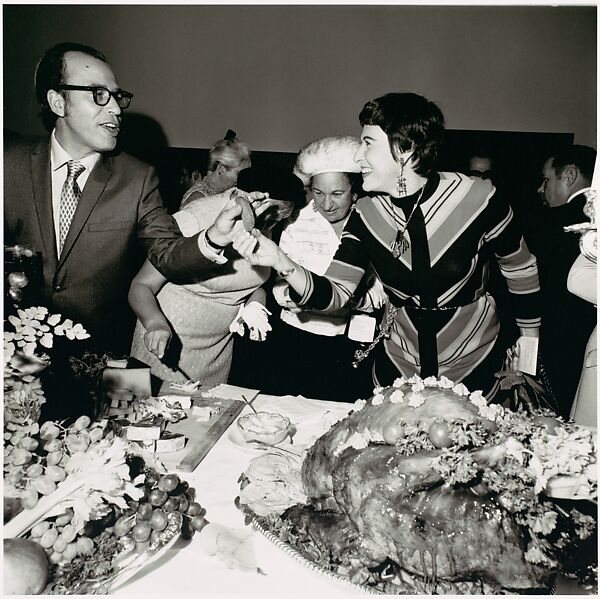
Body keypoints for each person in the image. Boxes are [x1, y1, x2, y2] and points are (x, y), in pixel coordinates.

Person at [233, 92, 541, 400]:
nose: (357, 157)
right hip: (400, 363)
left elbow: (520, 268)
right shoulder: (366, 213)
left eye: (367, 143)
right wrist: (280, 260)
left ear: (404, 149)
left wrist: (528, 353)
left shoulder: (479, 198)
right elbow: (337, 294)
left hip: (473, 360)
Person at [4, 43, 264, 356]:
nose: (115, 108)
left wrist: (213, 238)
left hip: (98, 357)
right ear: (58, 102)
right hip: (14, 353)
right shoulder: (8, 163)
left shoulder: (137, 178)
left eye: (117, 96)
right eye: (99, 94)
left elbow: (167, 254)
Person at [243, 136, 386, 401]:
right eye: (318, 193)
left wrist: (352, 299)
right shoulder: (296, 222)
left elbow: (385, 291)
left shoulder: (373, 222)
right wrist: (290, 297)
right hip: (297, 339)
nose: (327, 204)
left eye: (337, 194)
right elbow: (277, 284)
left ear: (355, 192)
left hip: (353, 341)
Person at [129, 166, 300, 386]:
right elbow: (141, 285)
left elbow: (251, 280)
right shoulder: (198, 217)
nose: (269, 223)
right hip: (164, 341)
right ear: (243, 196)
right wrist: (155, 324)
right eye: (269, 212)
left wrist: (256, 303)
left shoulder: (268, 222)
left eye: (280, 216)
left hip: (216, 353)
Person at [535, 145, 597, 417]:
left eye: (547, 179)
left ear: (569, 175)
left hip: (558, 344)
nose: (541, 189)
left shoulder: (552, 223)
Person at [180, 130, 251, 208]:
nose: (242, 178)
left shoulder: (221, 194)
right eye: (239, 173)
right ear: (221, 169)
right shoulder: (198, 198)